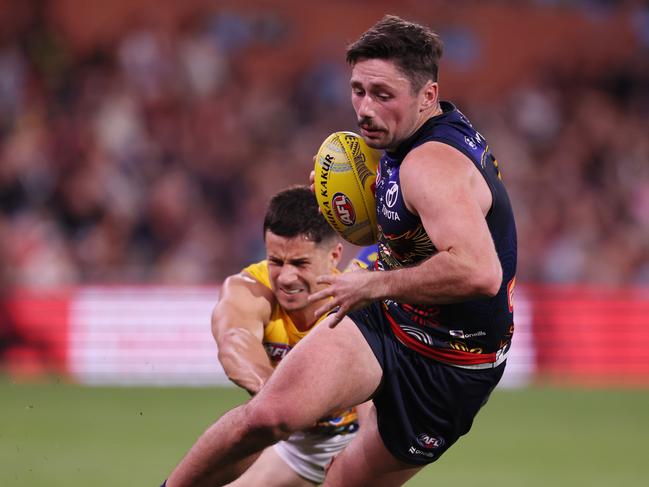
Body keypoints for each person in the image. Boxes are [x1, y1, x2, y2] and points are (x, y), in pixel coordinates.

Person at [164, 14, 517, 487]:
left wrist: (375, 281)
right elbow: (415, 227)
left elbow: (479, 272)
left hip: (452, 362)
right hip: (390, 317)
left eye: (382, 95)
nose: (365, 109)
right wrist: (353, 202)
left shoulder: (432, 164)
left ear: (427, 95)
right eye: (357, 90)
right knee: (269, 417)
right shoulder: (402, 135)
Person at [207, 186, 362, 486]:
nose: (287, 278)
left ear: (334, 255)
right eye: (276, 262)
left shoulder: (357, 303)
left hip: (359, 442)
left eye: (300, 264)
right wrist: (284, 401)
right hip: (296, 447)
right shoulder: (248, 289)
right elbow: (234, 344)